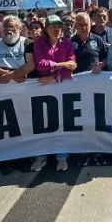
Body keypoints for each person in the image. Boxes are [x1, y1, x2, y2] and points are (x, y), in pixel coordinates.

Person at [31, 15, 75, 172]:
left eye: (59, 26)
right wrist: (61, 65)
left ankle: (61, 156)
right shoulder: (38, 43)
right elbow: (41, 65)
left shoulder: (67, 43)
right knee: (43, 122)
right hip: (43, 89)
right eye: (53, 26)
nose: (57, 29)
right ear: (46, 29)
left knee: (62, 121)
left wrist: (52, 75)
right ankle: (41, 156)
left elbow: (72, 66)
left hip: (60, 87)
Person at [0, 16, 35, 84]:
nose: (8, 29)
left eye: (12, 26)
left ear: (19, 29)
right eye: (6, 26)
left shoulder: (27, 43)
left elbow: (30, 65)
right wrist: (11, 75)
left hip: (23, 86)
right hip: (0, 85)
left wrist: (11, 75)